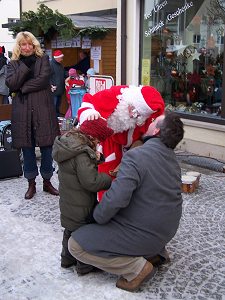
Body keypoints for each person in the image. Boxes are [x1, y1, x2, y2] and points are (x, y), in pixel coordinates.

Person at [68, 111, 184, 292]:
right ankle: (155, 254)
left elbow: (116, 199)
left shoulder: (136, 156)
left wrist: (96, 216)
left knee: (76, 244)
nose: (149, 124)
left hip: (144, 233)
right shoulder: (172, 160)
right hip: (166, 232)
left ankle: (136, 269)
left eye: (154, 122)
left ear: (156, 132)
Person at [78, 85, 165, 200]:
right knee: (107, 175)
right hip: (109, 141)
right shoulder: (115, 94)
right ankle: (104, 205)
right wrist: (89, 114)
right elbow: (88, 102)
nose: (132, 115)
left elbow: (151, 133)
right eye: (132, 109)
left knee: (129, 180)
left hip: (133, 147)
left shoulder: (151, 113)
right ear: (131, 100)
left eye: (137, 114)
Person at [52, 117, 113, 274]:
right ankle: (84, 266)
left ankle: (66, 260)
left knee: (69, 231)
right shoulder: (82, 154)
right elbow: (90, 181)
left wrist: (96, 159)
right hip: (81, 204)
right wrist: (109, 179)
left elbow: (77, 169)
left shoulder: (70, 144)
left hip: (68, 201)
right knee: (82, 235)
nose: (99, 143)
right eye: (99, 139)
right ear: (92, 136)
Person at [6, 31, 59, 200]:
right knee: (27, 148)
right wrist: (25, 67)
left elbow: (43, 79)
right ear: (19, 46)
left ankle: (47, 181)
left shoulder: (43, 60)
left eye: (30, 44)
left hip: (43, 109)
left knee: (47, 147)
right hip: (22, 111)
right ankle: (31, 184)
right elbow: (11, 83)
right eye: (23, 44)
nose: (27, 47)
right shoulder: (13, 64)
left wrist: (22, 88)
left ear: (34, 44)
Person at [50, 49, 66, 117]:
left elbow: (64, 73)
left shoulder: (60, 65)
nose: (62, 59)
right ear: (57, 57)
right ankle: (53, 118)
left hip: (60, 89)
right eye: (61, 58)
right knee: (53, 105)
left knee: (58, 105)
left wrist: (71, 74)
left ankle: (57, 117)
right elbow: (47, 76)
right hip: (54, 89)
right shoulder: (50, 64)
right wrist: (51, 85)